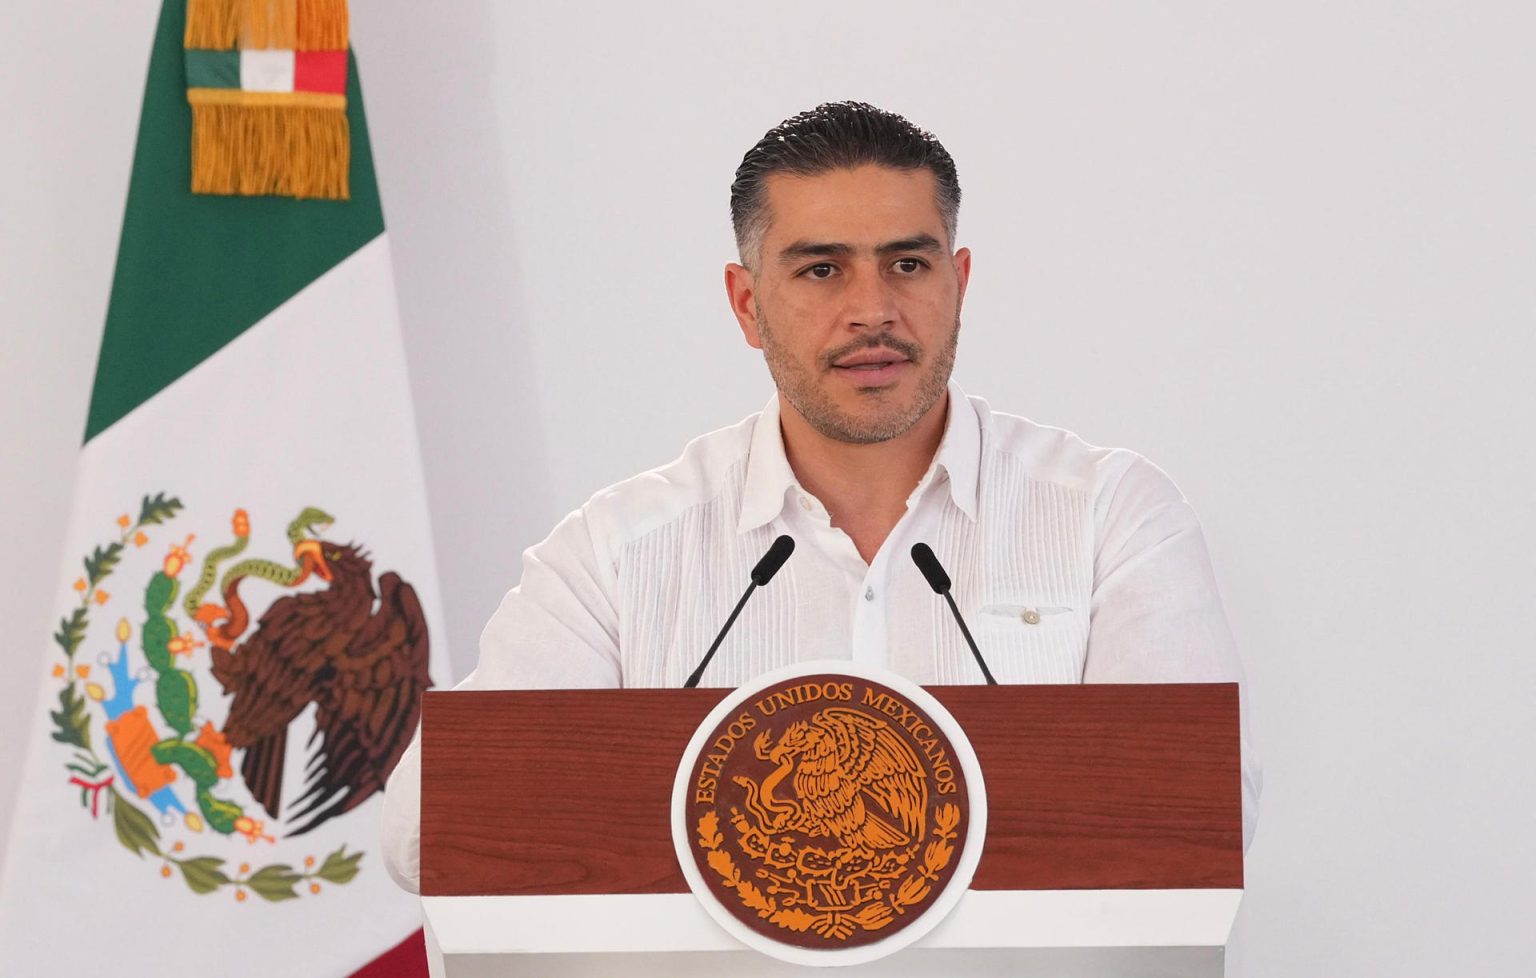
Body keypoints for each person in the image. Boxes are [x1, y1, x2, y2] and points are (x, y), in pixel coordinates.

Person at [381, 102, 1260, 892]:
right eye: (821, 271)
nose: (873, 310)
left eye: (907, 264)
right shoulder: (617, 556)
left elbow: (1207, 814)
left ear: (957, 283)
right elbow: (427, 837)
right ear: (747, 304)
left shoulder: (1112, 517)